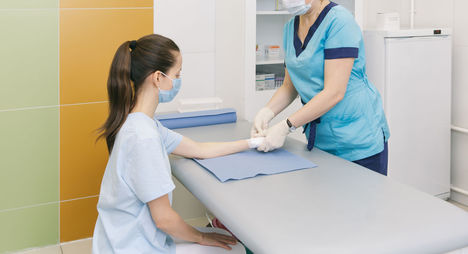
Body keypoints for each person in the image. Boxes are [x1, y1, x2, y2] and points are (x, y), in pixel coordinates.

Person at [93, 34, 262, 254]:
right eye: (177, 74)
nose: (179, 80)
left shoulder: (142, 122)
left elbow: (198, 149)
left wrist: (253, 142)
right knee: (235, 249)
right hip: (132, 247)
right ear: (157, 78)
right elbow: (164, 220)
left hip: (122, 239)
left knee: (222, 240)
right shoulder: (144, 137)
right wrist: (200, 237)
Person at [251, 0, 390, 175]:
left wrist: (286, 126)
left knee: (361, 201)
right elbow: (289, 86)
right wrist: (267, 112)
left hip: (358, 139)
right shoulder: (289, 28)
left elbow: (334, 92)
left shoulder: (340, 22)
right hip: (322, 141)